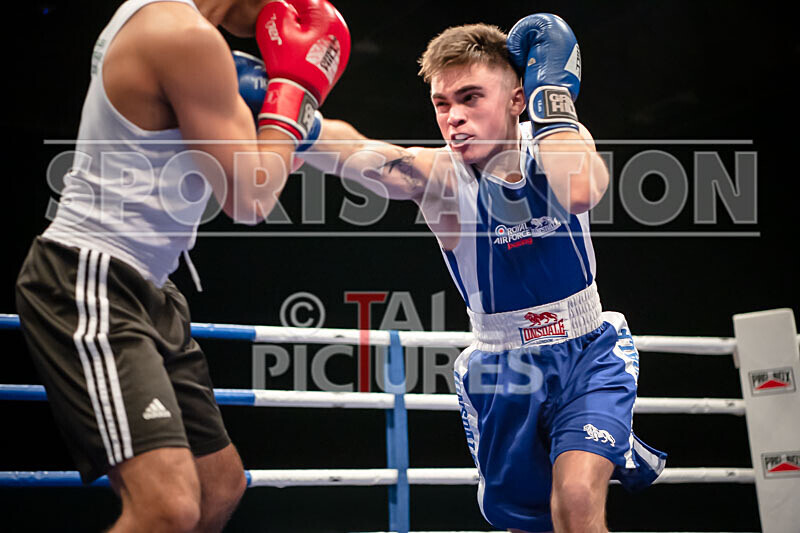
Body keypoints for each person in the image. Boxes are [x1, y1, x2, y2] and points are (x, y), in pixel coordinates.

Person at [299, 14, 666, 533]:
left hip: (587, 352)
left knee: (577, 500)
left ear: (518, 99)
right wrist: (292, 119)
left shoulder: (557, 141)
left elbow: (581, 190)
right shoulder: (440, 178)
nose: (454, 117)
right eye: (442, 104)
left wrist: (554, 101)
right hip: (503, 372)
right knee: (528, 522)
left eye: (471, 98)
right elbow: (368, 156)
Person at [14, 0, 348, 531]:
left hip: (148, 286)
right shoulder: (182, 35)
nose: (291, 10)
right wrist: (296, 92)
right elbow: (252, 196)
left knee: (218, 486)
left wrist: (416, 160)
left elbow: (309, 139)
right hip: (90, 276)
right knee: (165, 507)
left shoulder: (187, 36)